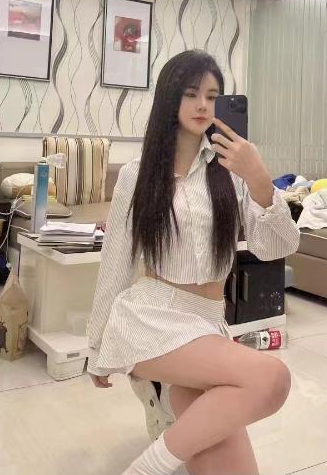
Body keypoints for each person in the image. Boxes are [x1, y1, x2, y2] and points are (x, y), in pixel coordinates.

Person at [87, 50, 300, 475]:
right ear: (171, 98)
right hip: (152, 317)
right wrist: (96, 347)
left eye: (212, 96)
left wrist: (260, 179)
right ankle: (145, 469)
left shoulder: (232, 172)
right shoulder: (137, 174)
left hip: (207, 323)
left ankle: (167, 413)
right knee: (272, 379)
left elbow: (276, 246)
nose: (203, 105)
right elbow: (116, 263)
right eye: (191, 94)